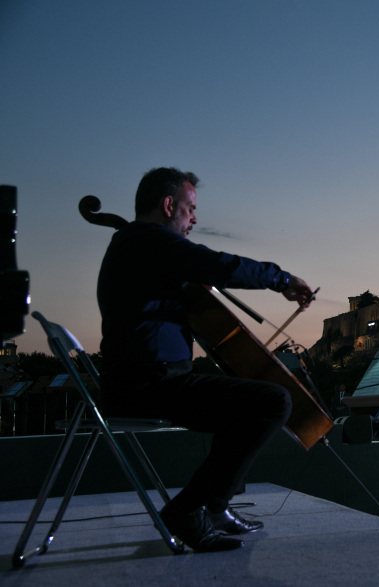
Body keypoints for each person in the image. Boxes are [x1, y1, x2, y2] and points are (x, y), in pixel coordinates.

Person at [98, 167, 316, 553]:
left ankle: (214, 507)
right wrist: (282, 279)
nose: (195, 219)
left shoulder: (137, 247)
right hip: (148, 384)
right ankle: (187, 510)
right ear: (169, 205)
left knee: (245, 406)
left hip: (145, 380)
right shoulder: (150, 241)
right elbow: (218, 265)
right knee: (272, 401)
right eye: (191, 208)